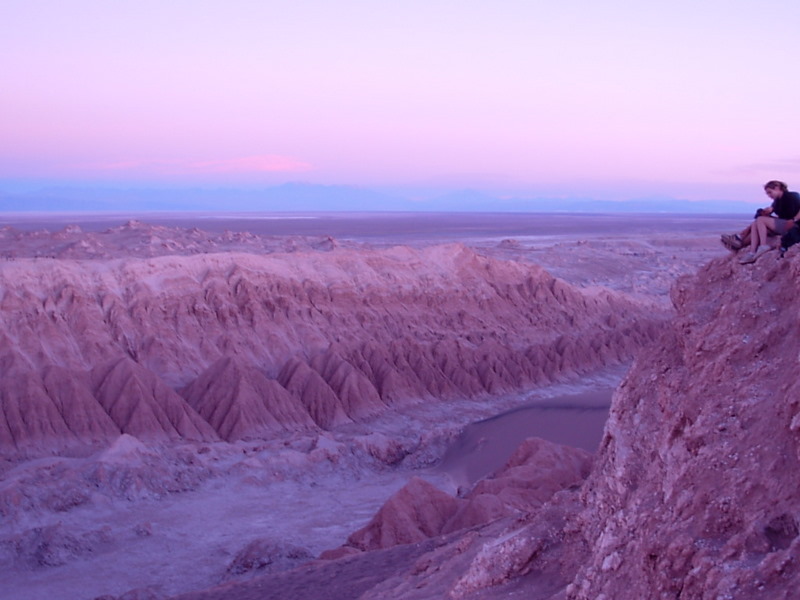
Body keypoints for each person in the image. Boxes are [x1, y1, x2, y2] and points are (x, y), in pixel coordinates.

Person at [722, 181, 800, 264]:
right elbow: (778, 214)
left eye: (770, 192)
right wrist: (767, 212)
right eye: (767, 194)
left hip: (793, 226)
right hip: (784, 223)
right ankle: (751, 252)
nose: (769, 195)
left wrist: (794, 219)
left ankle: (762, 245)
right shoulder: (777, 202)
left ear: (777, 188)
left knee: (761, 220)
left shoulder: (791, 196)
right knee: (757, 223)